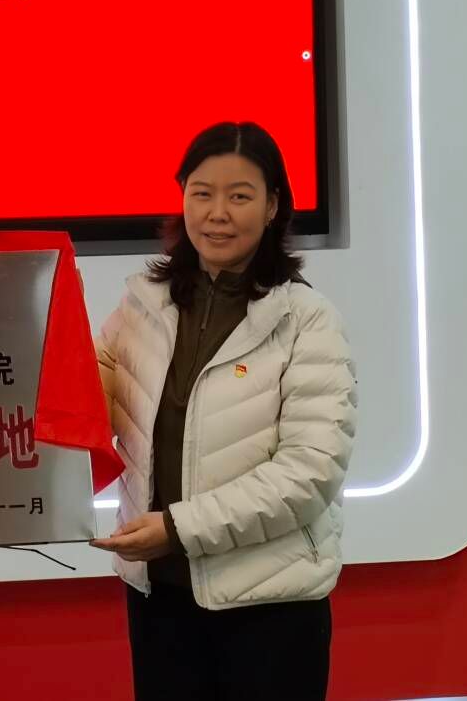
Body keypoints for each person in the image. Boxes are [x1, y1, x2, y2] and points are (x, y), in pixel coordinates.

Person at [91, 122, 357, 701]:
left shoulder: (307, 320)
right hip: (160, 600)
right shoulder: (142, 307)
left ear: (272, 207)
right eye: (202, 193)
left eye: (239, 196)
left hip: (272, 607)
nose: (217, 213)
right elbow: (83, 397)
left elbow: (309, 473)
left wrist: (177, 530)